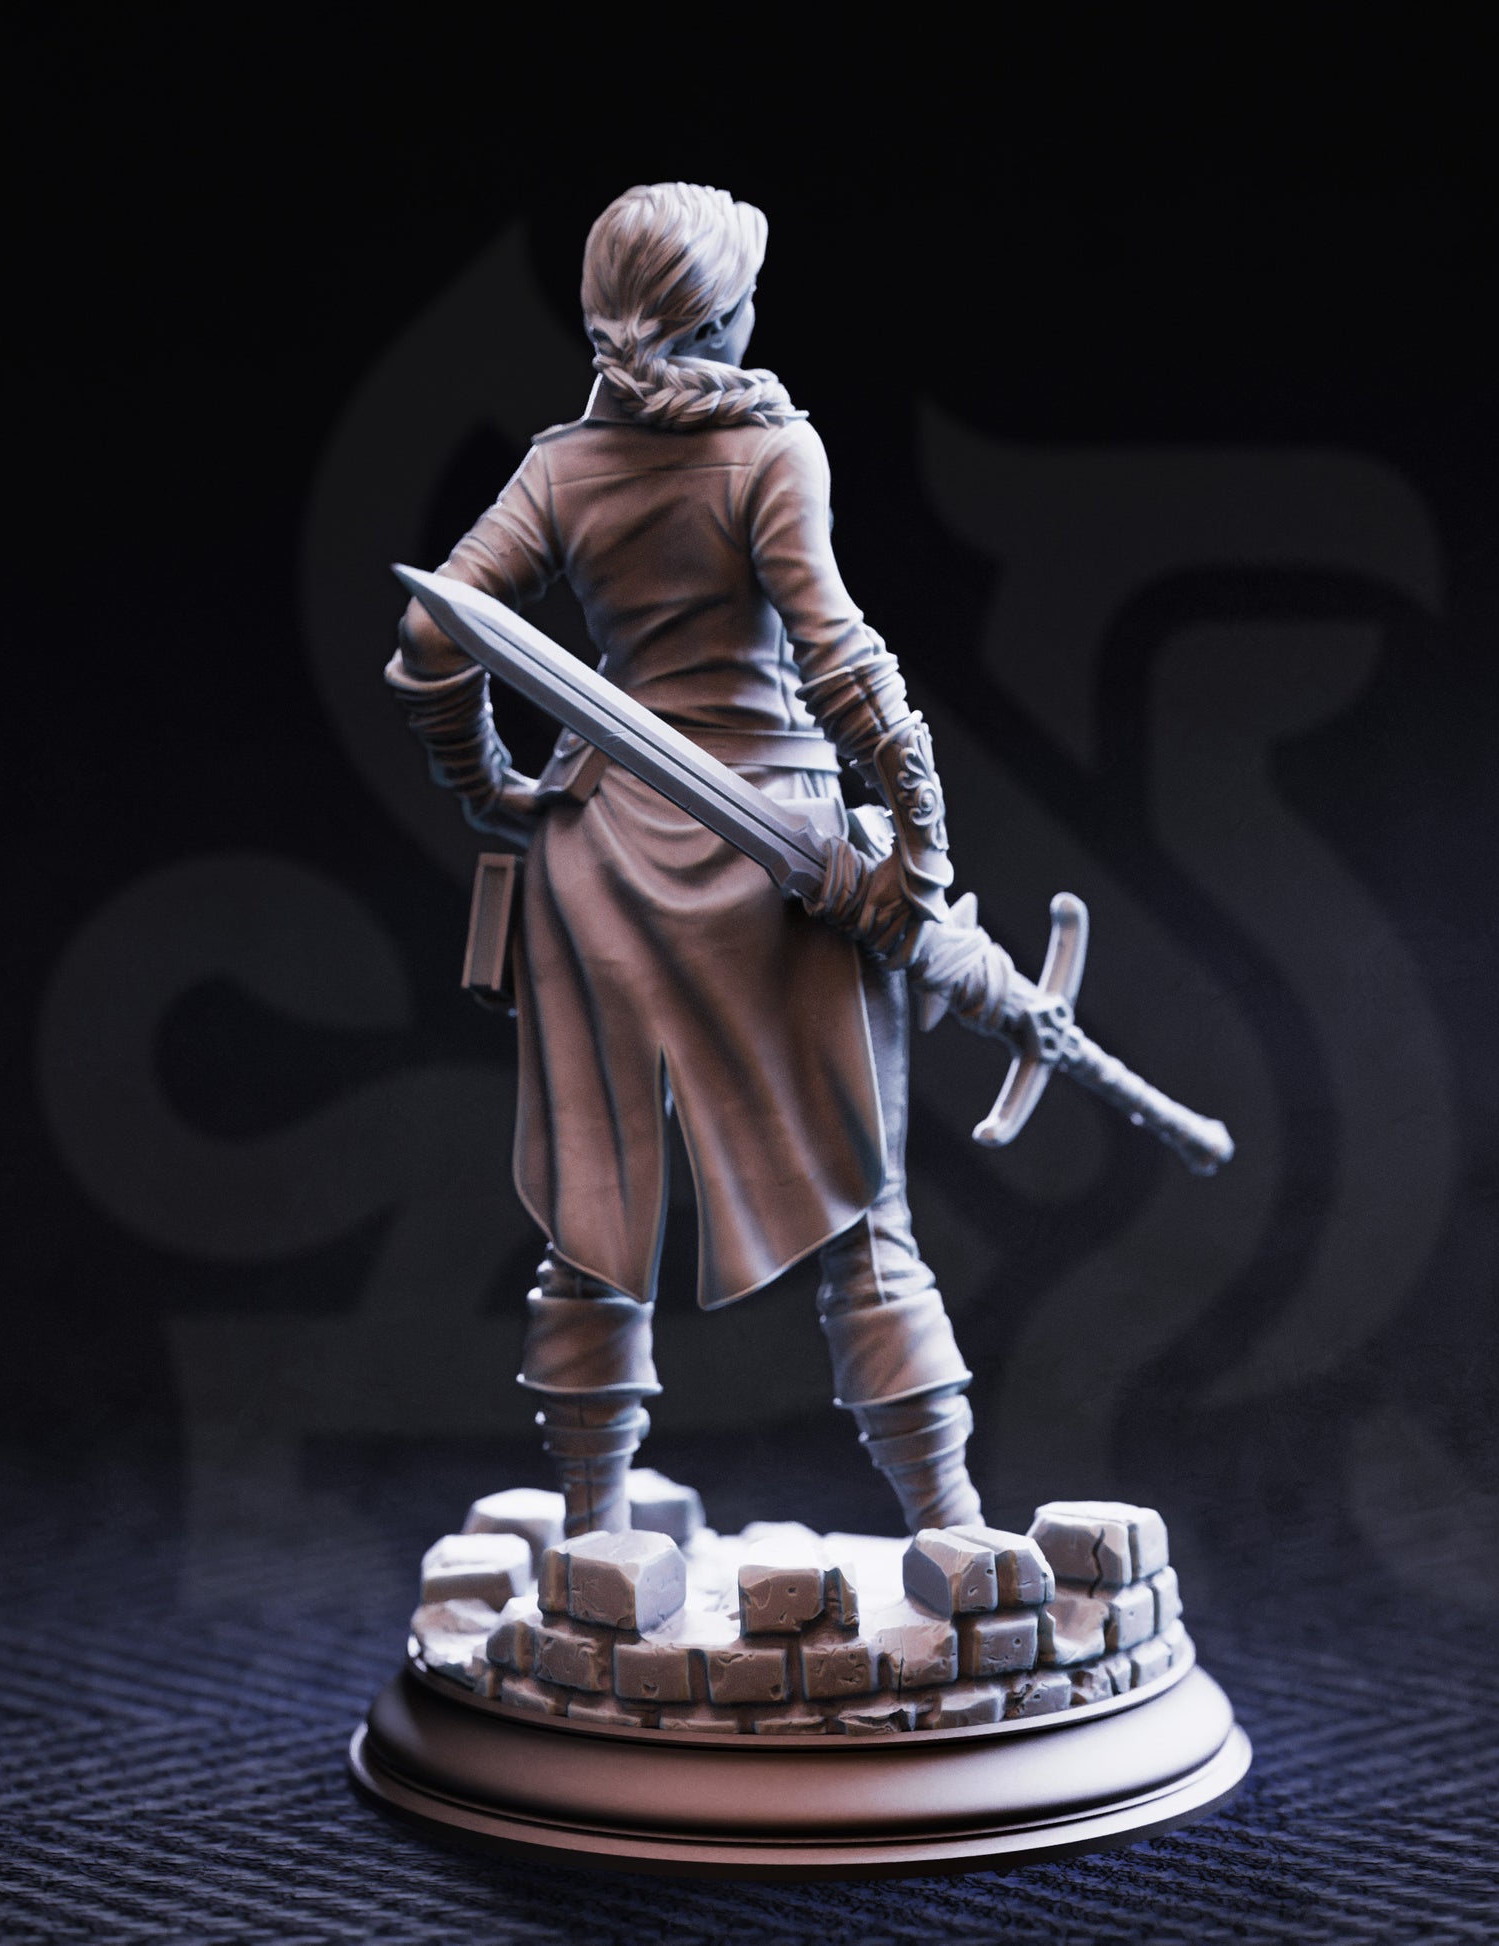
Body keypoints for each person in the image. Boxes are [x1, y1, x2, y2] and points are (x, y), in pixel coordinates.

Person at [389, 182, 981, 1539]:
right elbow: (842, 663)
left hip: (594, 856)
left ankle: (592, 1532)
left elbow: (434, 639)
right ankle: (952, 1533)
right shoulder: (775, 451)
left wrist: (492, 788)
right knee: (866, 1212)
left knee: (593, 1215)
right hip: (782, 856)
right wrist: (919, 854)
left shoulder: (561, 468)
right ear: (721, 319)